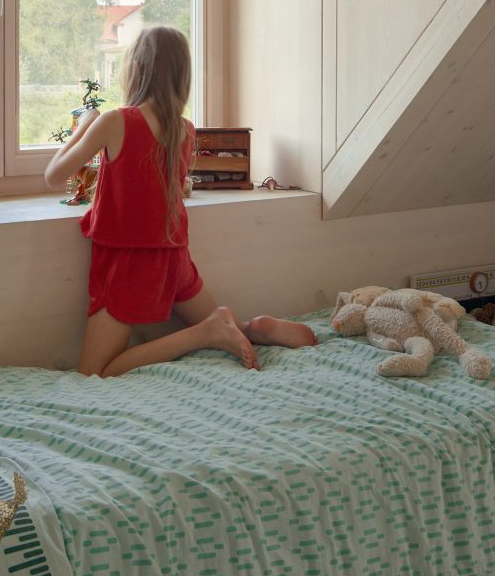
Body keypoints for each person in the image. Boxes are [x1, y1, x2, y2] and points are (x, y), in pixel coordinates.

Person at [45, 25, 317, 377]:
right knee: (225, 325)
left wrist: (85, 123)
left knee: (94, 372)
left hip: (128, 262)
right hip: (173, 258)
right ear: (181, 76)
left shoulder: (115, 121)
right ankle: (250, 328)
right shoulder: (184, 130)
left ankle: (203, 334)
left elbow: (54, 176)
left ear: (136, 69)